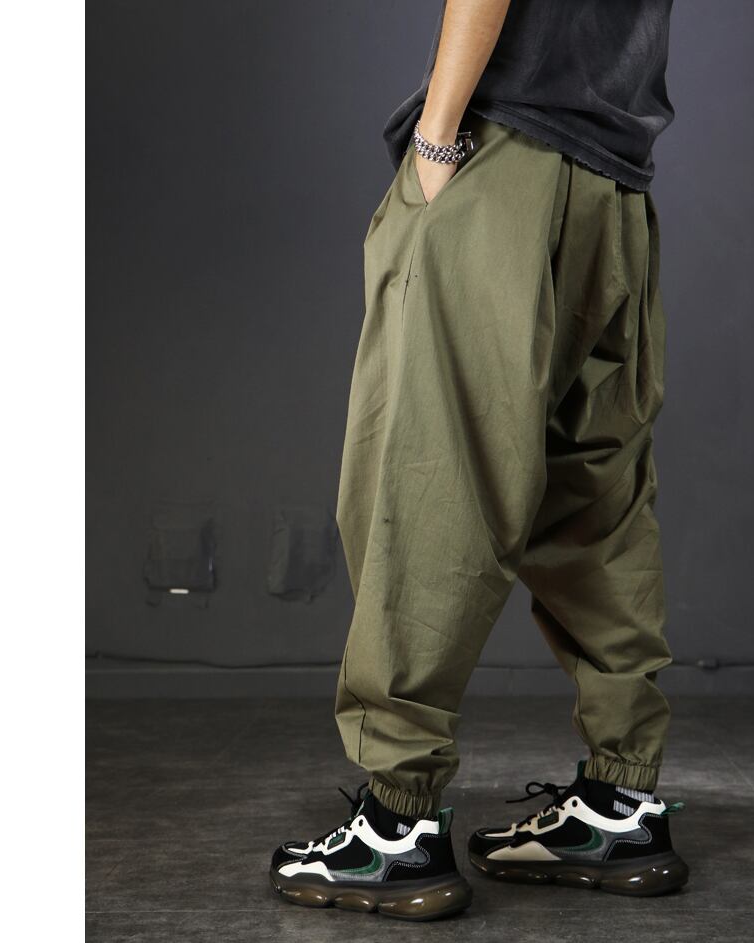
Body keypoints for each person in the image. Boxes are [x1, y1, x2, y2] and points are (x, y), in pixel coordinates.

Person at [271, 0, 687, 921]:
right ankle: (621, 801)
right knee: (596, 501)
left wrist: (434, 139)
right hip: (614, 180)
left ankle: (397, 825)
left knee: (429, 485)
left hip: (502, 167)